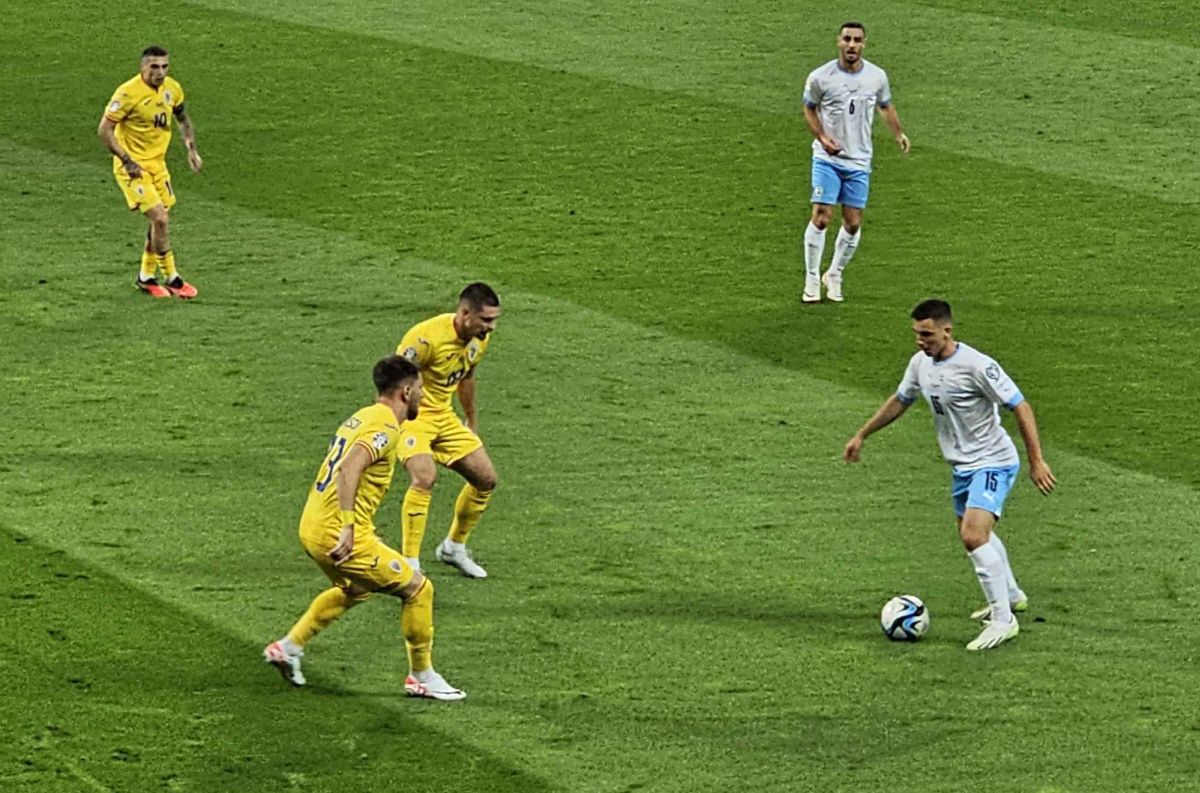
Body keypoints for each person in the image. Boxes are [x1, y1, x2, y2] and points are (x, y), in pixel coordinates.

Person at [842, 300, 1056, 651]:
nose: (920, 341)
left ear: (947, 330)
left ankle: (1004, 621)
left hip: (993, 461)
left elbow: (1020, 405)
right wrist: (862, 434)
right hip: (962, 466)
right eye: (916, 334)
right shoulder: (920, 365)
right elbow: (900, 400)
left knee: (974, 536)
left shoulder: (977, 366)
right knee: (974, 534)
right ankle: (1012, 595)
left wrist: (1037, 461)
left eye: (926, 334)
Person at [263, 355, 466, 700]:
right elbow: (350, 468)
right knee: (418, 589)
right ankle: (422, 676)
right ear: (405, 392)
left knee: (358, 590)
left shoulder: (361, 417)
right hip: (337, 533)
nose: (423, 397)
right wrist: (348, 526)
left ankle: (289, 646)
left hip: (310, 526)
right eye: (419, 390)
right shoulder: (385, 427)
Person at [396, 283, 502, 579]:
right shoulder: (425, 339)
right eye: (486, 320)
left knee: (486, 480)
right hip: (412, 418)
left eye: (494, 320)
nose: (491, 328)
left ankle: (453, 547)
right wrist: (394, 422)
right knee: (424, 477)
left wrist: (471, 421)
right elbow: (395, 379)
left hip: (444, 417)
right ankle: (409, 563)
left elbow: (467, 377)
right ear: (465, 313)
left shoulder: (477, 340)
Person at [801, 22, 910, 303]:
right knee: (822, 216)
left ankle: (834, 273)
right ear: (838, 41)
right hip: (827, 158)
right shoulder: (820, 77)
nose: (851, 45)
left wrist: (898, 134)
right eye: (847, 39)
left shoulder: (876, 76)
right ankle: (812, 278)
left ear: (864, 44)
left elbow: (885, 106)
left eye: (857, 40)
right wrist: (822, 138)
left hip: (859, 160)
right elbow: (809, 108)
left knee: (852, 223)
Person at [98, 46, 202, 299]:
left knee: (159, 222)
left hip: (158, 165)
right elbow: (104, 130)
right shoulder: (127, 93)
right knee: (160, 219)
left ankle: (145, 277)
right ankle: (173, 278)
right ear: (143, 67)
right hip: (132, 167)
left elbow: (182, 118)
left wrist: (191, 150)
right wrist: (126, 159)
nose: (160, 72)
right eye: (154, 67)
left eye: (165, 66)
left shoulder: (172, 89)